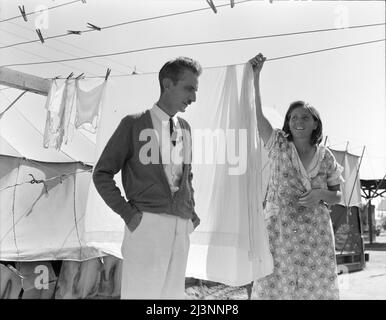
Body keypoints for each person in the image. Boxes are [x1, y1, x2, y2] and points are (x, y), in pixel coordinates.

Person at [92, 57, 202, 299]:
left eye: (195, 89)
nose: (193, 97)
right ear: (167, 83)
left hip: (180, 228)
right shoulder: (133, 124)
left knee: (172, 299)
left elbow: (186, 176)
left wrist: (191, 213)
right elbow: (101, 173)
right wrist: (129, 214)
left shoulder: (185, 128)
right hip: (146, 225)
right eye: (189, 88)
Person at [249, 53, 343, 300]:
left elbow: (337, 195)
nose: (298, 121)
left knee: (315, 289)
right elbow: (258, 116)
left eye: (305, 117)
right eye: (293, 117)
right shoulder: (278, 144)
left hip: (315, 233)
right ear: (287, 124)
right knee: (275, 285)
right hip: (279, 230)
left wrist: (320, 194)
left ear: (315, 123)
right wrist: (255, 78)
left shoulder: (326, 157)